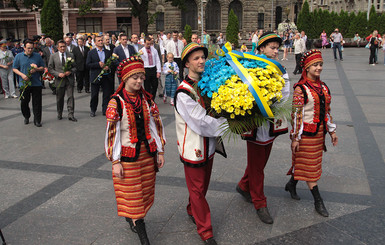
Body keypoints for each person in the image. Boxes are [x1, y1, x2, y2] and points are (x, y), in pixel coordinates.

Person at [105, 56, 166, 245]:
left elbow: (156, 126)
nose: (139, 81)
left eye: (141, 77)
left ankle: (133, 218)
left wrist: (160, 151)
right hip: (127, 156)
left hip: (147, 155)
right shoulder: (117, 102)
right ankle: (143, 236)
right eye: (135, 77)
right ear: (125, 78)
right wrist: (115, 161)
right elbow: (112, 134)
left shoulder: (146, 99)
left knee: (145, 191)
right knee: (133, 196)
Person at [174, 42, 227, 245]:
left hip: (209, 146)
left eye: (203, 57)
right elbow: (201, 122)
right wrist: (228, 125)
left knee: (202, 187)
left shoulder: (208, 82)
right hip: (193, 147)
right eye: (196, 58)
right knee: (197, 190)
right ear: (187, 63)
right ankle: (205, 231)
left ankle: (191, 209)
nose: (201, 61)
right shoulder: (183, 93)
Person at [237, 32, 290, 225]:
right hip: (256, 121)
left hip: (272, 119)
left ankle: (244, 185)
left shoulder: (280, 68)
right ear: (260, 49)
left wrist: (274, 103)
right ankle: (259, 202)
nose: (276, 51)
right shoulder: (249, 68)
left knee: (261, 160)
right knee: (258, 165)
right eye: (272, 48)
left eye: (277, 48)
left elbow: (285, 91)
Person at [285, 49, 338, 217]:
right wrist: (295, 138)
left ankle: (292, 184)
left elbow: (327, 110)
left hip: (319, 134)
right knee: (310, 169)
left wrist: (332, 131)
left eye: (321, 64)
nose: (319, 68)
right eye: (315, 64)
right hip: (305, 135)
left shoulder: (323, 87)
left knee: (309, 165)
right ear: (306, 67)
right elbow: (297, 116)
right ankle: (318, 201)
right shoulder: (300, 89)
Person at [13, 40, 45, 127]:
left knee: (37, 103)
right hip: (24, 83)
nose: (30, 50)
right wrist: (22, 75)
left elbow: (42, 67)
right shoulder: (19, 56)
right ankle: (26, 115)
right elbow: (15, 68)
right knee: (24, 102)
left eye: (32, 48)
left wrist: (36, 69)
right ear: (24, 48)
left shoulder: (37, 56)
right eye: (28, 48)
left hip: (36, 83)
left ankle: (37, 120)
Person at [48, 40, 77, 122]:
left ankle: (71, 114)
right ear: (57, 47)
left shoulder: (70, 55)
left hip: (69, 79)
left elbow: (75, 67)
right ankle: (59, 113)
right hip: (59, 80)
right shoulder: (53, 56)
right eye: (61, 47)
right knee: (60, 98)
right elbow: (50, 68)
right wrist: (58, 74)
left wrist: (70, 71)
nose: (63, 48)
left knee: (70, 97)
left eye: (64, 46)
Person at [86, 36, 114, 117]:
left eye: (102, 40)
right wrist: (97, 64)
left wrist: (108, 66)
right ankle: (93, 109)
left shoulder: (108, 52)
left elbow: (111, 62)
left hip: (106, 76)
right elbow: (88, 64)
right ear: (95, 43)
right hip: (95, 76)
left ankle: (105, 110)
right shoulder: (91, 53)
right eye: (99, 41)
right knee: (94, 95)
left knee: (106, 94)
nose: (101, 42)